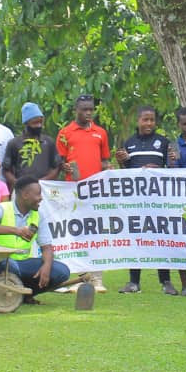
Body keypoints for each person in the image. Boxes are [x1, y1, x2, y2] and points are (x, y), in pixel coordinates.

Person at [117, 105, 186, 295]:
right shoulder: (129, 142)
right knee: (136, 238)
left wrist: (159, 169)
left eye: (152, 120)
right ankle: (134, 282)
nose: (149, 123)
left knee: (161, 239)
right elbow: (126, 173)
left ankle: (166, 282)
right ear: (138, 121)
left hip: (159, 201)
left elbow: (172, 169)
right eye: (145, 119)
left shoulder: (163, 142)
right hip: (136, 202)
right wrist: (122, 162)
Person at [0, 175, 71, 302]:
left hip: (21, 263)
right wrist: (16, 231)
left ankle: (25, 294)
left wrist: (46, 266)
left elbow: (47, 247)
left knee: (62, 271)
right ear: (25, 195)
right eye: (38, 194)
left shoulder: (38, 215)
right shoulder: (1, 208)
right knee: (10, 266)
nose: (41, 198)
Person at [56, 94, 111, 292]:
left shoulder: (100, 133)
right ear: (76, 110)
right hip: (73, 192)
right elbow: (59, 161)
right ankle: (80, 278)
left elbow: (105, 161)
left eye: (91, 109)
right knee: (77, 234)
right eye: (84, 109)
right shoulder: (65, 133)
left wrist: (108, 170)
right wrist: (64, 167)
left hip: (96, 192)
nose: (88, 113)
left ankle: (97, 279)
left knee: (96, 234)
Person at [2, 102, 61, 187]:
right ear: (26, 123)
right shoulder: (14, 143)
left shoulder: (48, 142)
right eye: (35, 123)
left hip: (45, 188)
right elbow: (6, 170)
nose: (39, 126)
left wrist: (43, 182)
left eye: (40, 122)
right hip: (23, 189)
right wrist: (17, 183)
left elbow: (56, 167)